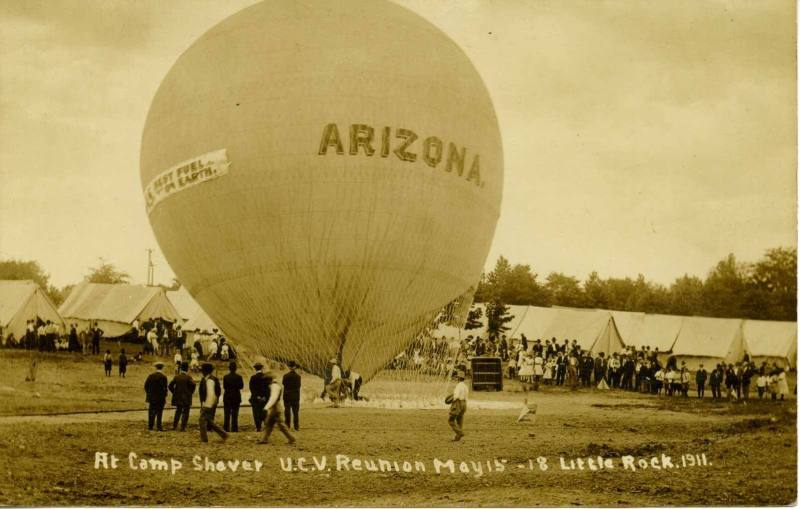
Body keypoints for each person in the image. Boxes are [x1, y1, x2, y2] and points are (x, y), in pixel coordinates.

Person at [259, 370, 296, 445]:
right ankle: (264, 439)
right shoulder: (275, 385)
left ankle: (291, 438)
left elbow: (273, 398)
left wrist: (266, 407)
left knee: (280, 425)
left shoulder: (274, 386)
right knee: (270, 423)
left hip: (276, 408)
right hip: (275, 407)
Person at [199, 363, 227, 442]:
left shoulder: (210, 380)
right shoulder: (207, 379)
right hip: (210, 403)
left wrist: (207, 404)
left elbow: (212, 393)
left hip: (208, 403)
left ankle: (204, 439)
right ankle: (223, 434)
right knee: (209, 420)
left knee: (201, 420)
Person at [169, 362, 195, 431]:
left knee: (178, 411)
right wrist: (190, 393)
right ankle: (183, 427)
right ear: (187, 369)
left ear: (181, 368)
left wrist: (174, 393)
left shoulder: (177, 377)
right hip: (186, 398)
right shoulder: (189, 377)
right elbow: (193, 386)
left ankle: (174, 426)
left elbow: (170, 386)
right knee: (186, 412)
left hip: (178, 397)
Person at [144, 362, 169, 431]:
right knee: (159, 412)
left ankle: (150, 426)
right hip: (160, 398)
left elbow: (146, 386)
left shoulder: (151, 376)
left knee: (151, 411)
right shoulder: (164, 377)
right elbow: (165, 388)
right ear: (162, 368)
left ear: (156, 368)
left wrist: (149, 394)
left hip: (152, 397)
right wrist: (164, 395)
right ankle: (159, 426)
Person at [222, 361, 244, 432]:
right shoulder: (239, 377)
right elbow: (241, 387)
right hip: (236, 396)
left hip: (227, 396)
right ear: (236, 368)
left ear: (229, 368)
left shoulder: (225, 377)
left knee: (227, 414)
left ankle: (226, 428)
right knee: (235, 414)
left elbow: (225, 387)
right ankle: (234, 428)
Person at [249, 362, 270, 432]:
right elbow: (268, 388)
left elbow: (251, 388)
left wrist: (257, 396)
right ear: (261, 368)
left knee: (256, 413)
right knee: (264, 412)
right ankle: (266, 425)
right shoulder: (266, 377)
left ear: (255, 369)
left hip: (256, 399)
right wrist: (264, 397)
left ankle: (258, 427)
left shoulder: (253, 378)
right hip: (264, 399)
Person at [448, 371, 468, 441]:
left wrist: (451, 401)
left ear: (458, 378)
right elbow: (466, 396)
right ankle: (458, 437)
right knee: (460, 420)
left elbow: (456, 396)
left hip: (458, 403)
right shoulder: (465, 386)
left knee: (451, 420)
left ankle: (460, 432)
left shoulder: (458, 386)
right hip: (464, 403)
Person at [282, 361, 302, 431]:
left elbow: (284, 384)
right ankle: (296, 427)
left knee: (287, 411)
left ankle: (287, 425)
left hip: (287, 396)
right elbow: (299, 386)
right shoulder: (298, 377)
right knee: (295, 412)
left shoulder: (285, 376)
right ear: (295, 367)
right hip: (295, 396)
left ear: (289, 367)